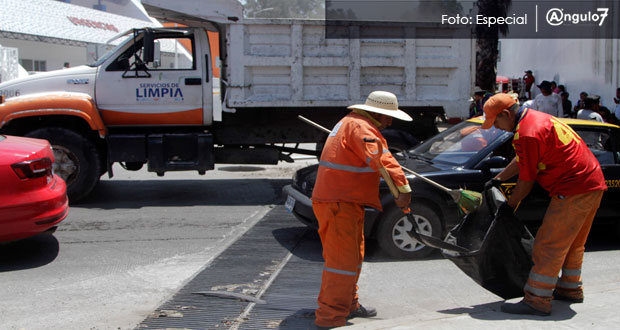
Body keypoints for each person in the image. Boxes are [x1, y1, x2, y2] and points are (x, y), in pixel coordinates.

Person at [482, 94, 607, 316]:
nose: (499, 128)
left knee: (548, 245)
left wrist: (508, 206)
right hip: (592, 183)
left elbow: (526, 182)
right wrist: (500, 178)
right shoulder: (536, 119)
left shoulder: (527, 133)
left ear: (506, 114)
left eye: (497, 122)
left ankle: (537, 299)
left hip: (572, 188)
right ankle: (570, 288)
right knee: (573, 243)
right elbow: (524, 159)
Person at [311, 91, 412, 329]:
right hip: (339, 203)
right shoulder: (362, 128)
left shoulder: (353, 123)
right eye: (388, 116)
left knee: (353, 258)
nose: (390, 122)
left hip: (345, 202)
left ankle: (348, 305)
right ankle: (330, 317)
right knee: (341, 263)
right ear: (377, 113)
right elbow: (382, 161)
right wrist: (403, 190)